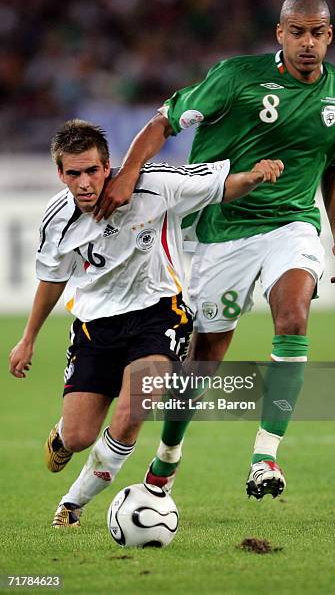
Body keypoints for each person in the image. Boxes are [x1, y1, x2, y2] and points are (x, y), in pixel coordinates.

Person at [93, 0, 335, 500]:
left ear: (329, 36)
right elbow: (163, 122)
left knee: (293, 318)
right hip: (221, 233)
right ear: (279, 34)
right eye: (297, 32)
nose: (308, 43)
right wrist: (129, 174)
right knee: (205, 358)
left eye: (317, 33)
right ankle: (167, 459)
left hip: (292, 224)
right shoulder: (235, 77)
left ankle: (265, 457)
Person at [9, 118, 283, 526]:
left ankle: (72, 503)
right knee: (80, 435)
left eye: (92, 171)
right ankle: (64, 436)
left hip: (159, 313)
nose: (85, 183)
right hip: (94, 325)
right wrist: (27, 338)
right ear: (60, 174)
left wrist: (256, 176)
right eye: (73, 173)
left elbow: (220, 186)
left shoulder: (154, 184)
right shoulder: (57, 218)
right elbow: (52, 279)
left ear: (108, 167)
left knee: (135, 408)